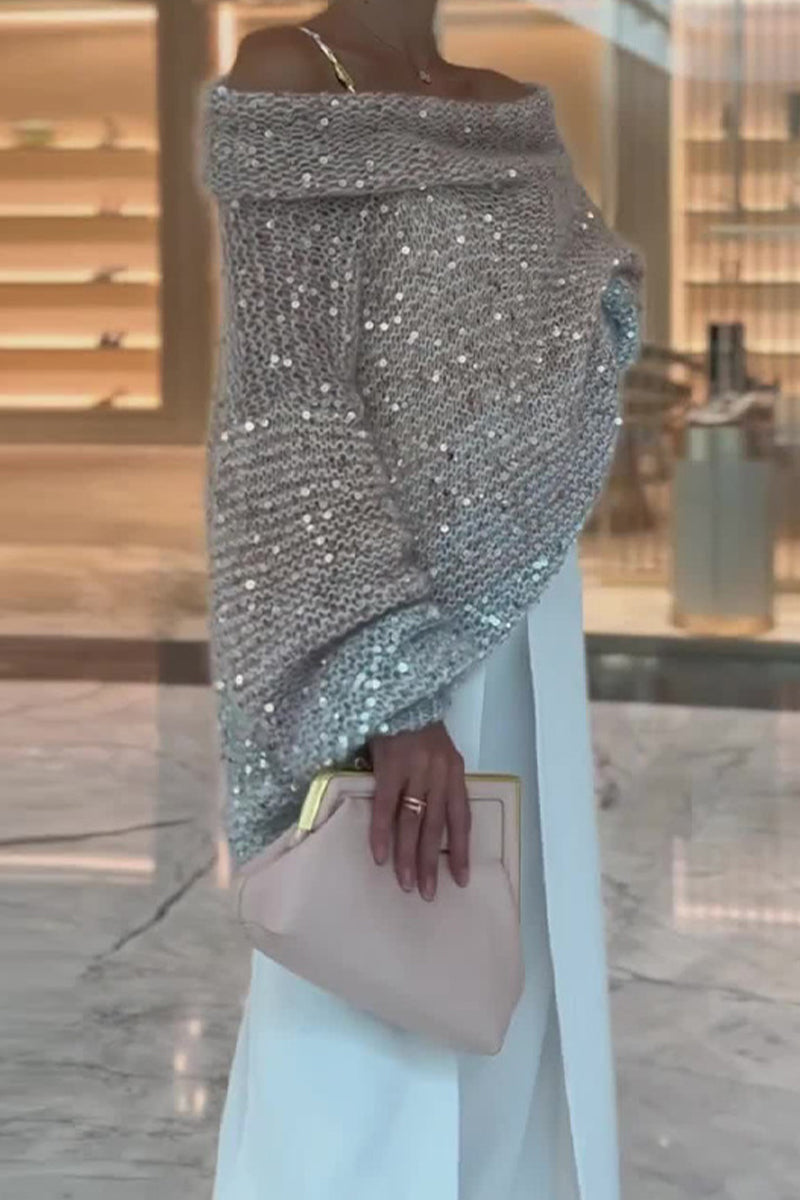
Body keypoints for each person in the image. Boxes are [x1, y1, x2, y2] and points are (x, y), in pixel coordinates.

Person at [199, 2, 642, 1197]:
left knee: (517, 963)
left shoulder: (507, 110)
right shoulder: (290, 72)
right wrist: (385, 689)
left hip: (523, 608)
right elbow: (289, 399)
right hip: (378, 607)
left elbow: (579, 306)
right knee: (374, 966)